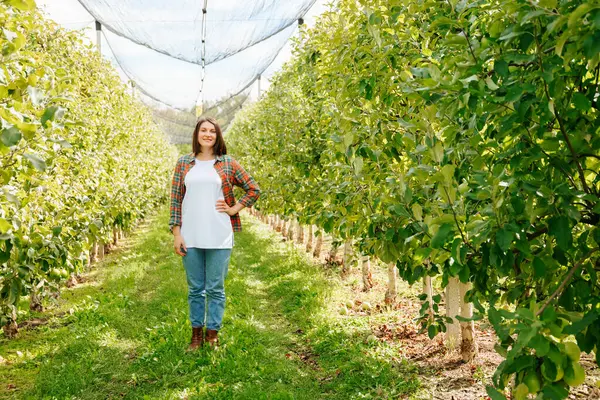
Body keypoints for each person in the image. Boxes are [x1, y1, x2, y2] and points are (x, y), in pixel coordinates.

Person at [169, 116, 260, 350]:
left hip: (219, 233)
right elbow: (175, 200)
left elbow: (253, 188)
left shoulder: (227, 163)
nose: (208, 134)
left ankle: (212, 335)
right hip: (191, 233)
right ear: (197, 135)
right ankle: (196, 335)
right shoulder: (184, 163)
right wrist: (177, 234)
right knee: (195, 288)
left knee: (215, 288)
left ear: (218, 135)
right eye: (203, 130)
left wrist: (234, 208)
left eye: (212, 131)